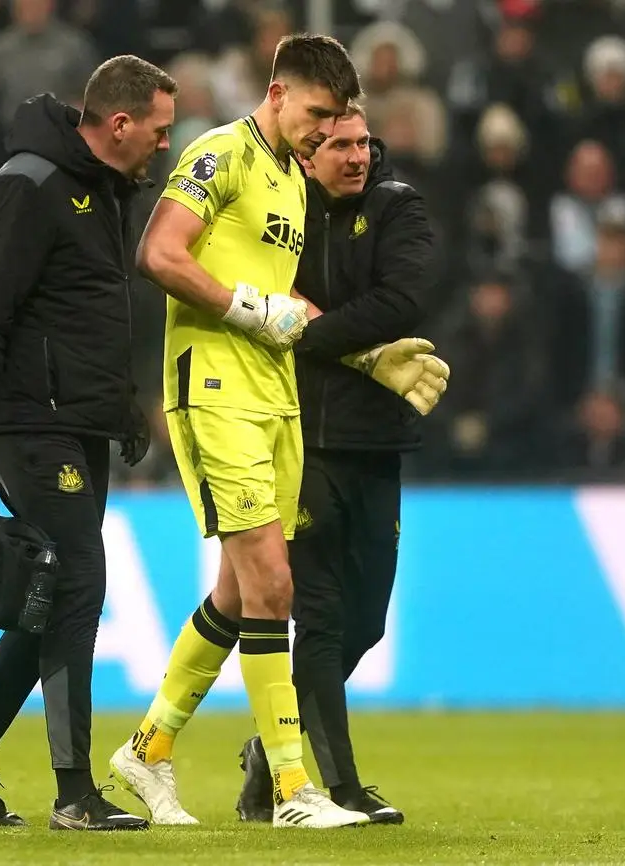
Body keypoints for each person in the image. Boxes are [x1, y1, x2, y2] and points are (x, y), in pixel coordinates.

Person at [106, 34, 373, 829]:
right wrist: (240, 308)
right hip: (214, 388)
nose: (326, 134)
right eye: (319, 115)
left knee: (238, 590)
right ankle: (294, 789)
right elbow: (157, 253)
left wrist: (370, 352)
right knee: (272, 586)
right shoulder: (219, 153)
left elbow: (279, 300)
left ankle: (147, 749)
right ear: (280, 92)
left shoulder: (294, 178)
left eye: (337, 121)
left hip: (274, 393)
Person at [0, 55, 177, 832]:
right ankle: (74, 793)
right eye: (160, 130)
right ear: (121, 123)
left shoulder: (102, 190)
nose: (165, 147)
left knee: (43, 604)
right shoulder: (27, 185)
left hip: (78, 425)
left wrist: (122, 410)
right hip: (28, 427)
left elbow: (81, 317)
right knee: (78, 585)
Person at [233, 106, 437, 825]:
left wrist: (304, 330)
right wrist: (344, 344)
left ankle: (268, 747)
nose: (355, 157)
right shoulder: (278, 207)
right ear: (309, 153)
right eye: (338, 145)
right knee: (317, 619)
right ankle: (340, 785)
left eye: (362, 143)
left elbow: (402, 301)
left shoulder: (396, 207)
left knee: (366, 622)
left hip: (378, 443)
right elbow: (248, 296)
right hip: (300, 440)